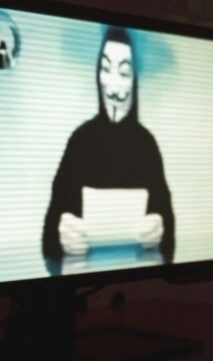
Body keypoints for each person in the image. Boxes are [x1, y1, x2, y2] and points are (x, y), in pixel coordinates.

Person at [42, 25, 175, 262]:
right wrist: (60, 235)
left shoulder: (147, 145)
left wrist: (159, 232)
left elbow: (169, 235)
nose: (113, 87)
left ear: (134, 80)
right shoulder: (80, 141)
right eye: (105, 69)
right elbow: (49, 237)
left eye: (124, 72)